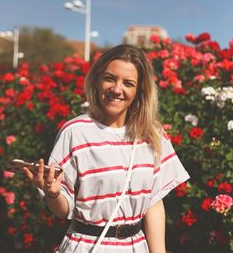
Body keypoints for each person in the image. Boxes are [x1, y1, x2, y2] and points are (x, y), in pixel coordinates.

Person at [24, 44, 190, 253]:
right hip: (87, 246)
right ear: (97, 80)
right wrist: (53, 194)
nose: (117, 89)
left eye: (128, 83)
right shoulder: (75, 132)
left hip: (136, 247)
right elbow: (63, 208)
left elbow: (154, 202)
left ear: (139, 91)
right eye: (110, 78)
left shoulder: (152, 134)